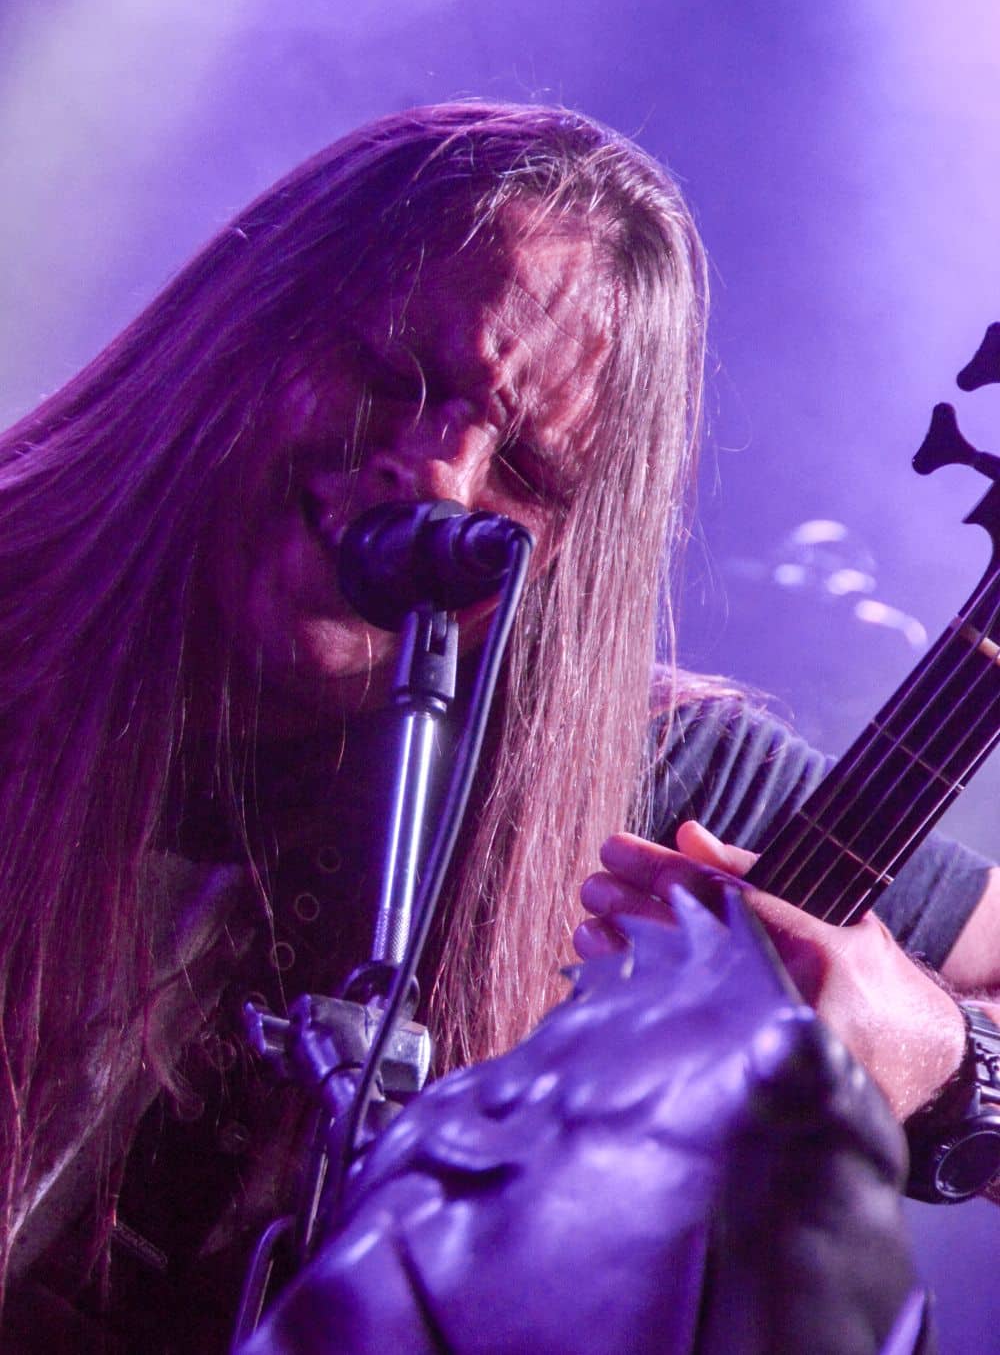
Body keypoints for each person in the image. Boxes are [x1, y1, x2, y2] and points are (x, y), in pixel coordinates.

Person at [0, 101, 995, 1349]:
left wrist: (945, 1065)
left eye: (525, 473)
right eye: (395, 381)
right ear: (247, 334)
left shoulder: (647, 775)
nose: (439, 475)